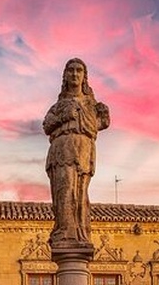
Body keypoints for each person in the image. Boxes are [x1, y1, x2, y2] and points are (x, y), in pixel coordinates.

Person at [43, 58, 110, 248]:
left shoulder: (91, 105)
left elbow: (96, 126)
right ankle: (65, 230)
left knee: (81, 194)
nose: (74, 74)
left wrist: (104, 118)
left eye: (79, 70)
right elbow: (47, 125)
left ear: (84, 76)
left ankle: (80, 231)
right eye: (70, 70)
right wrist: (65, 116)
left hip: (84, 149)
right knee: (64, 190)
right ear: (65, 76)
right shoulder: (58, 106)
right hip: (62, 149)